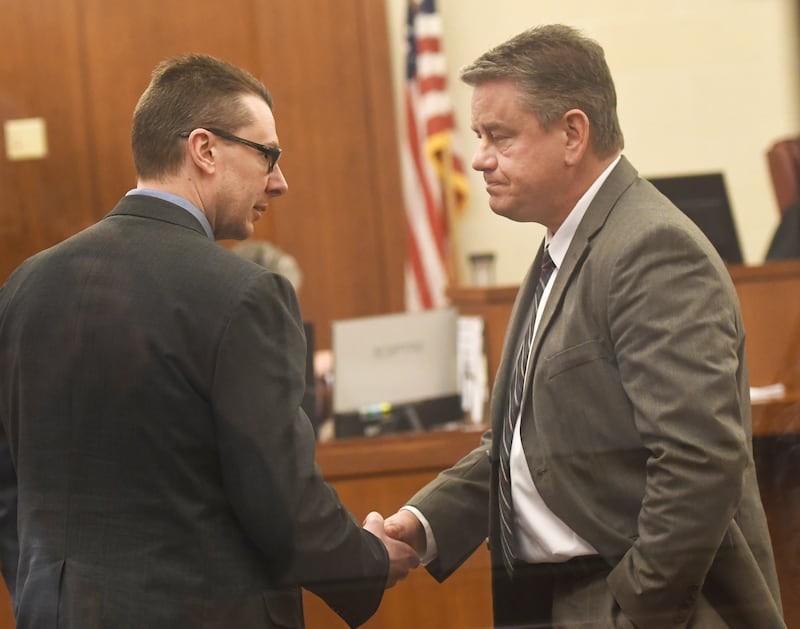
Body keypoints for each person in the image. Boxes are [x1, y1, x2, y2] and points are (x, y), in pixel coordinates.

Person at [384, 24, 785, 628]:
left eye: (499, 136)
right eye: (477, 135)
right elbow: (527, 445)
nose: (479, 158)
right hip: (557, 597)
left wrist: (637, 608)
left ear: (573, 133)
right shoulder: (564, 245)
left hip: (629, 602)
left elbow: (699, 461)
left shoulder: (651, 247)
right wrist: (423, 525)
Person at [0, 53, 418, 629]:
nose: (280, 179)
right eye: (267, 154)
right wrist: (368, 561)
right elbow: (278, 498)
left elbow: (8, 485)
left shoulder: (23, 286)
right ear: (205, 149)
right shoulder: (245, 295)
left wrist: (39, 592)